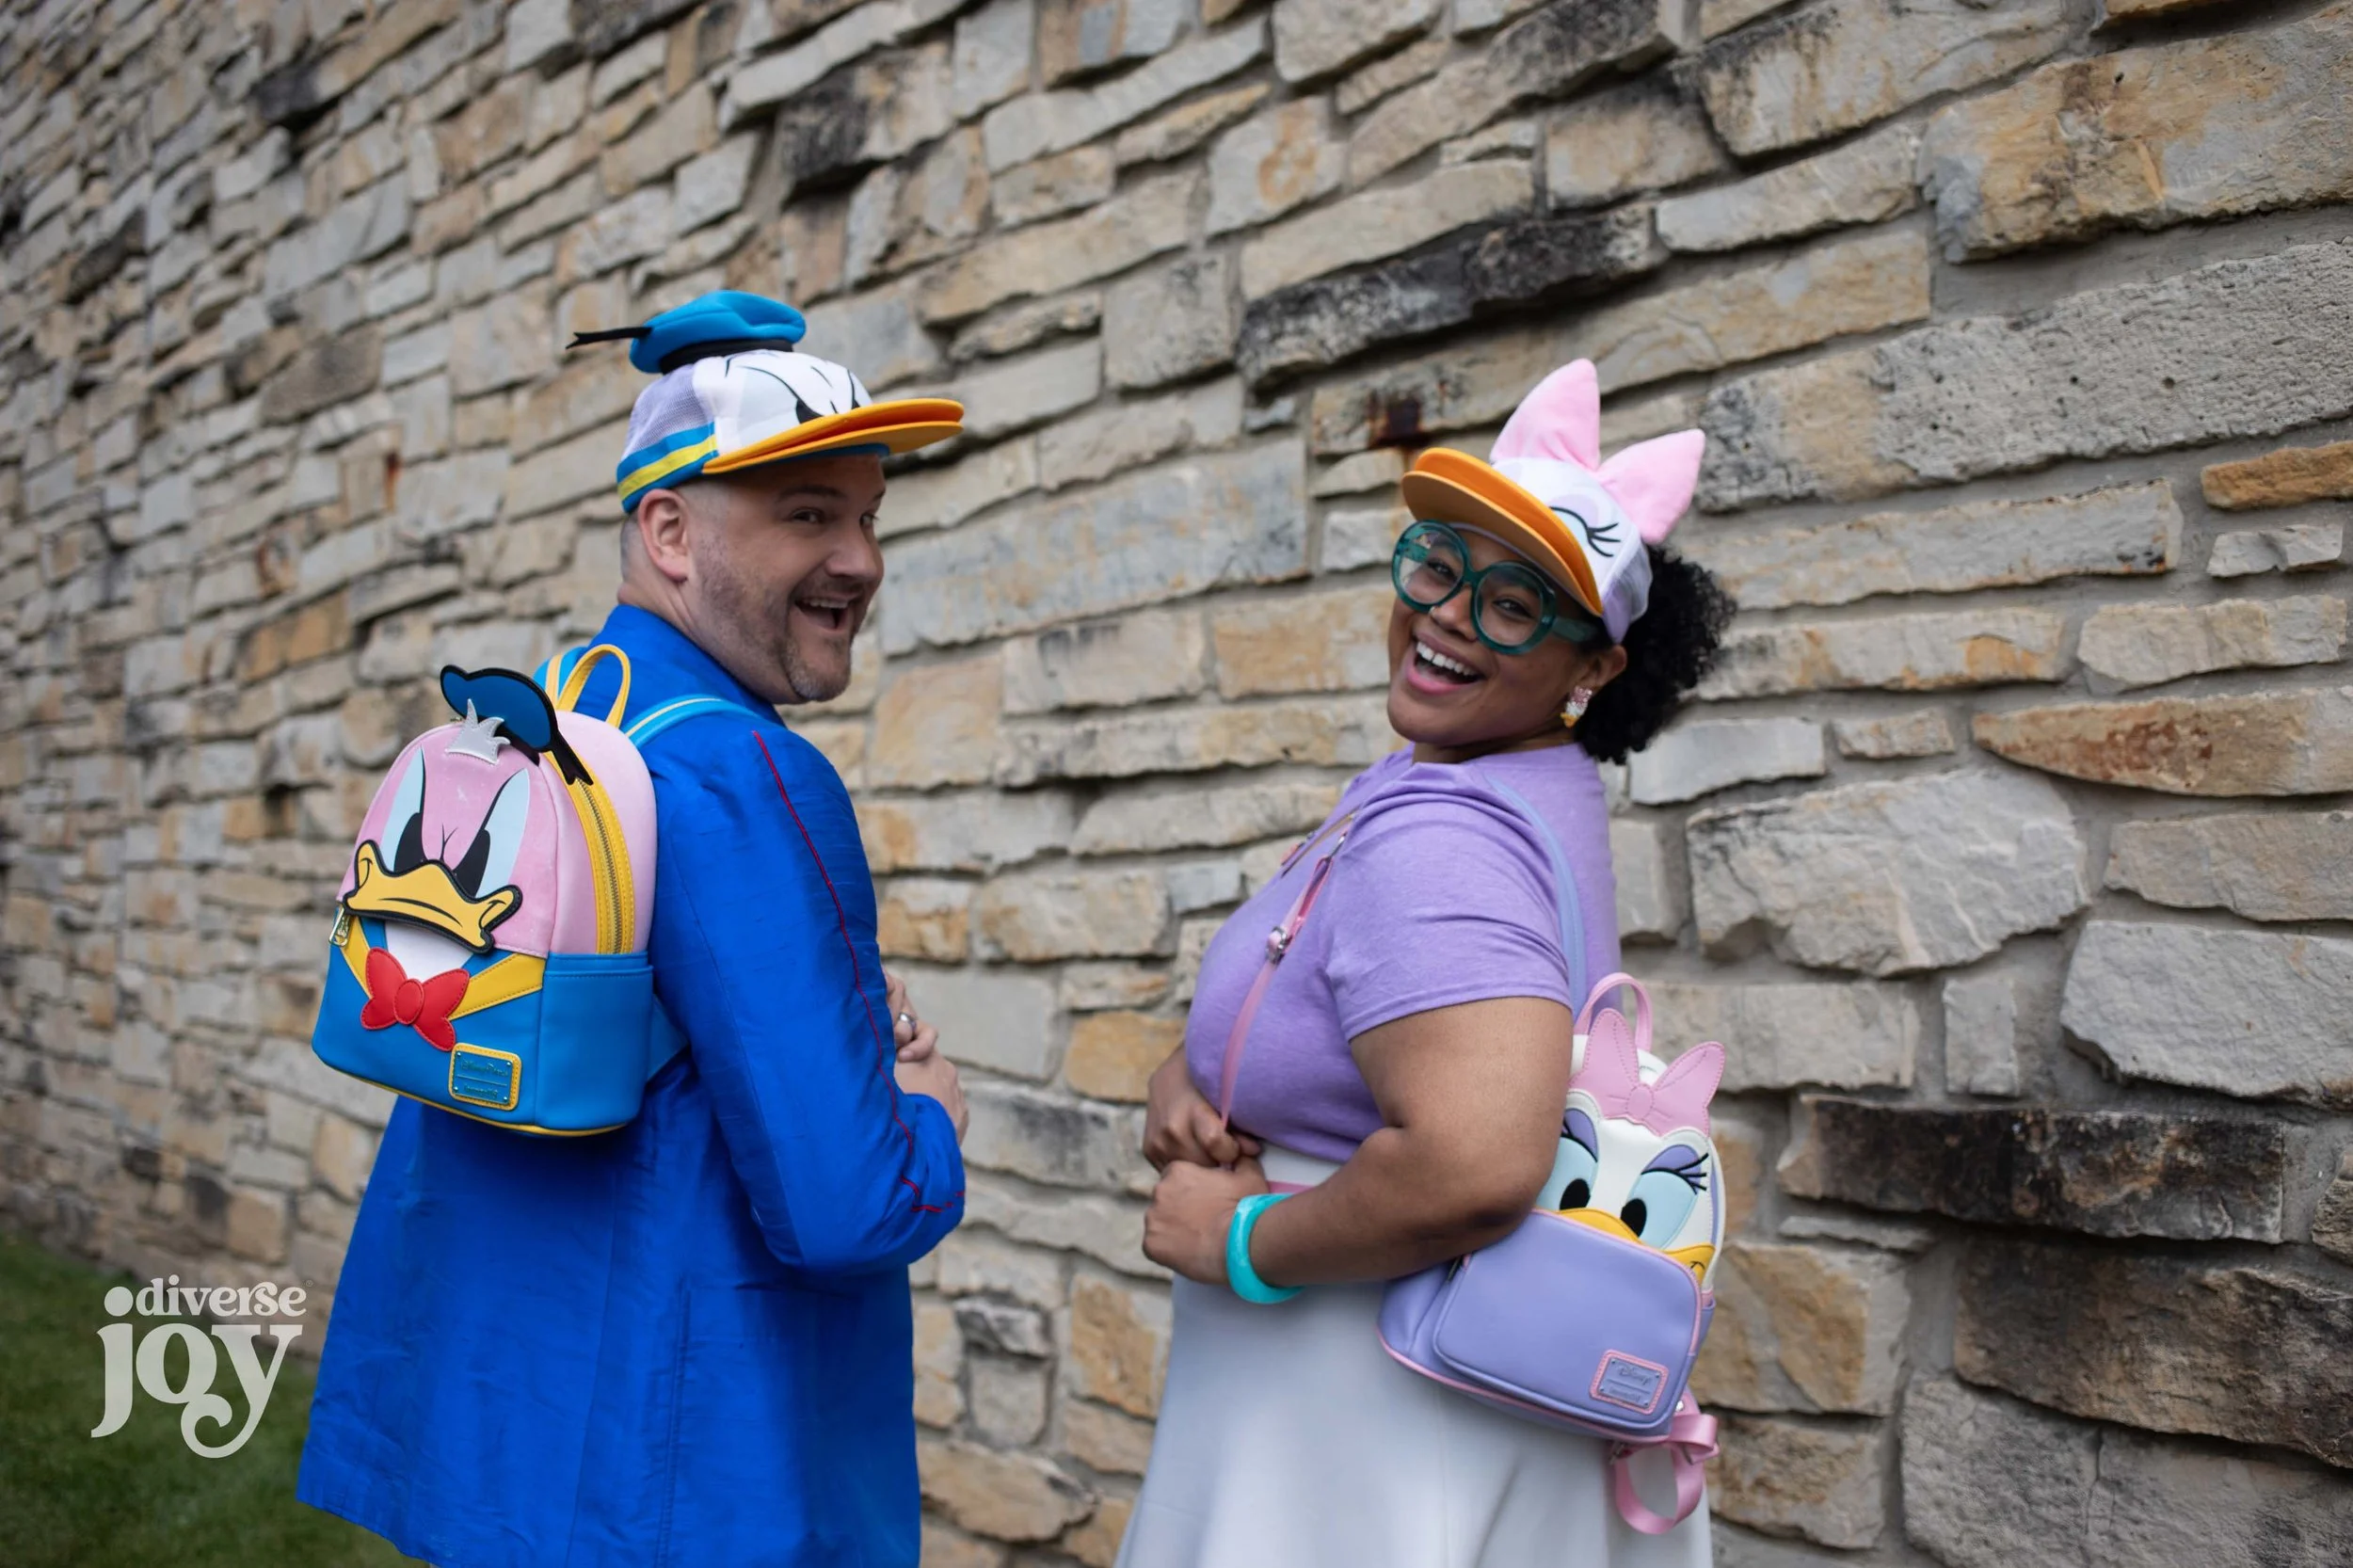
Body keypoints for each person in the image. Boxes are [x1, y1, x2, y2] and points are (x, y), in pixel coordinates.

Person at [296, 292, 971, 1567]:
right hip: (690, 1474)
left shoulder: (559, 712)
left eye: (869, 517)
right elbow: (844, 1209)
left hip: (509, 1429)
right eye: (808, 514)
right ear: (668, 529)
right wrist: (928, 1114)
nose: (862, 561)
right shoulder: (740, 772)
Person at [1120, 360, 1735, 1568]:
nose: (1449, 614)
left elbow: (1471, 1160)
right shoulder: (1471, 781)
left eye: (1514, 605)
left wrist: (1242, 1242)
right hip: (1373, 1405)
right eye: (1439, 566)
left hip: (1366, 1422)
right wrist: (1195, 1075)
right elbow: (1369, 1008)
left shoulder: (1447, 832)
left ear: (1595, 669)